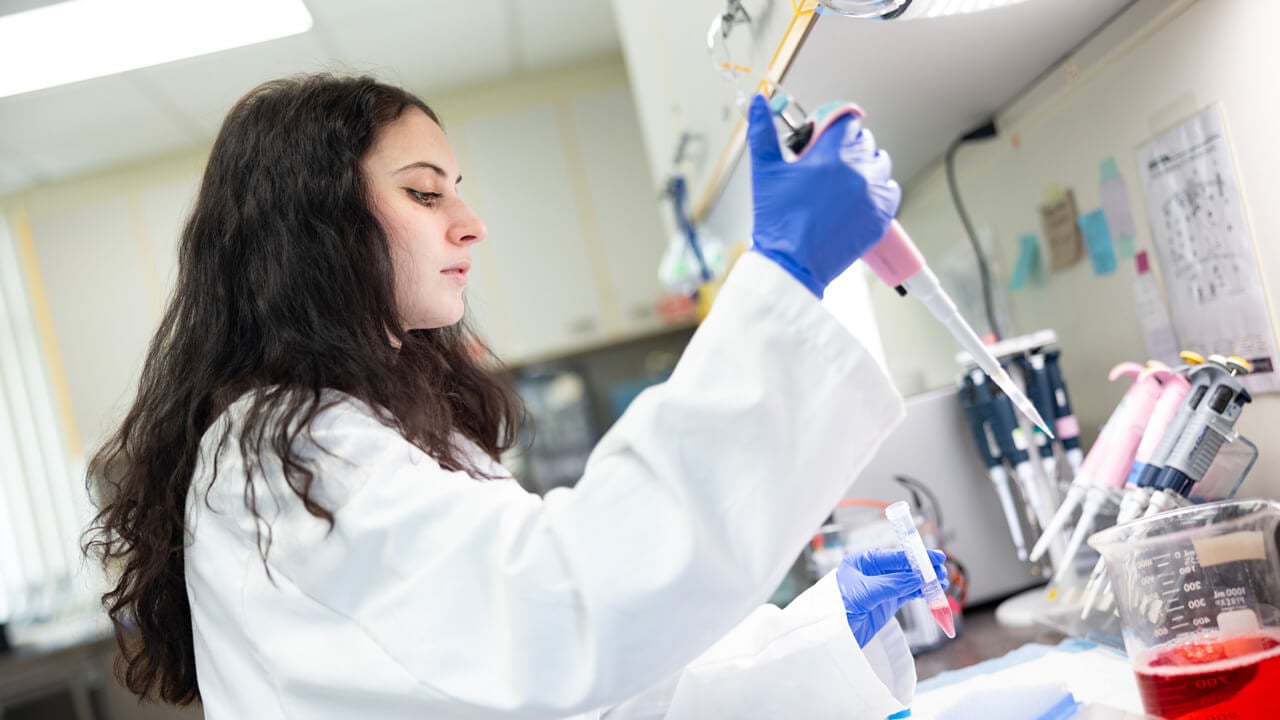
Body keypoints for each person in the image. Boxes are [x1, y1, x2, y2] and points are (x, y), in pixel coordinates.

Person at [84, 74, 945, 719]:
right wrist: (785, 275)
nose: (471, 221)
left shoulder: (380, 430)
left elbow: (594, 687)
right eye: (425, 191)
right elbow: (564, 615)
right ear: (315, 230)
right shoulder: (285, 454)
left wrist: (817, 631)